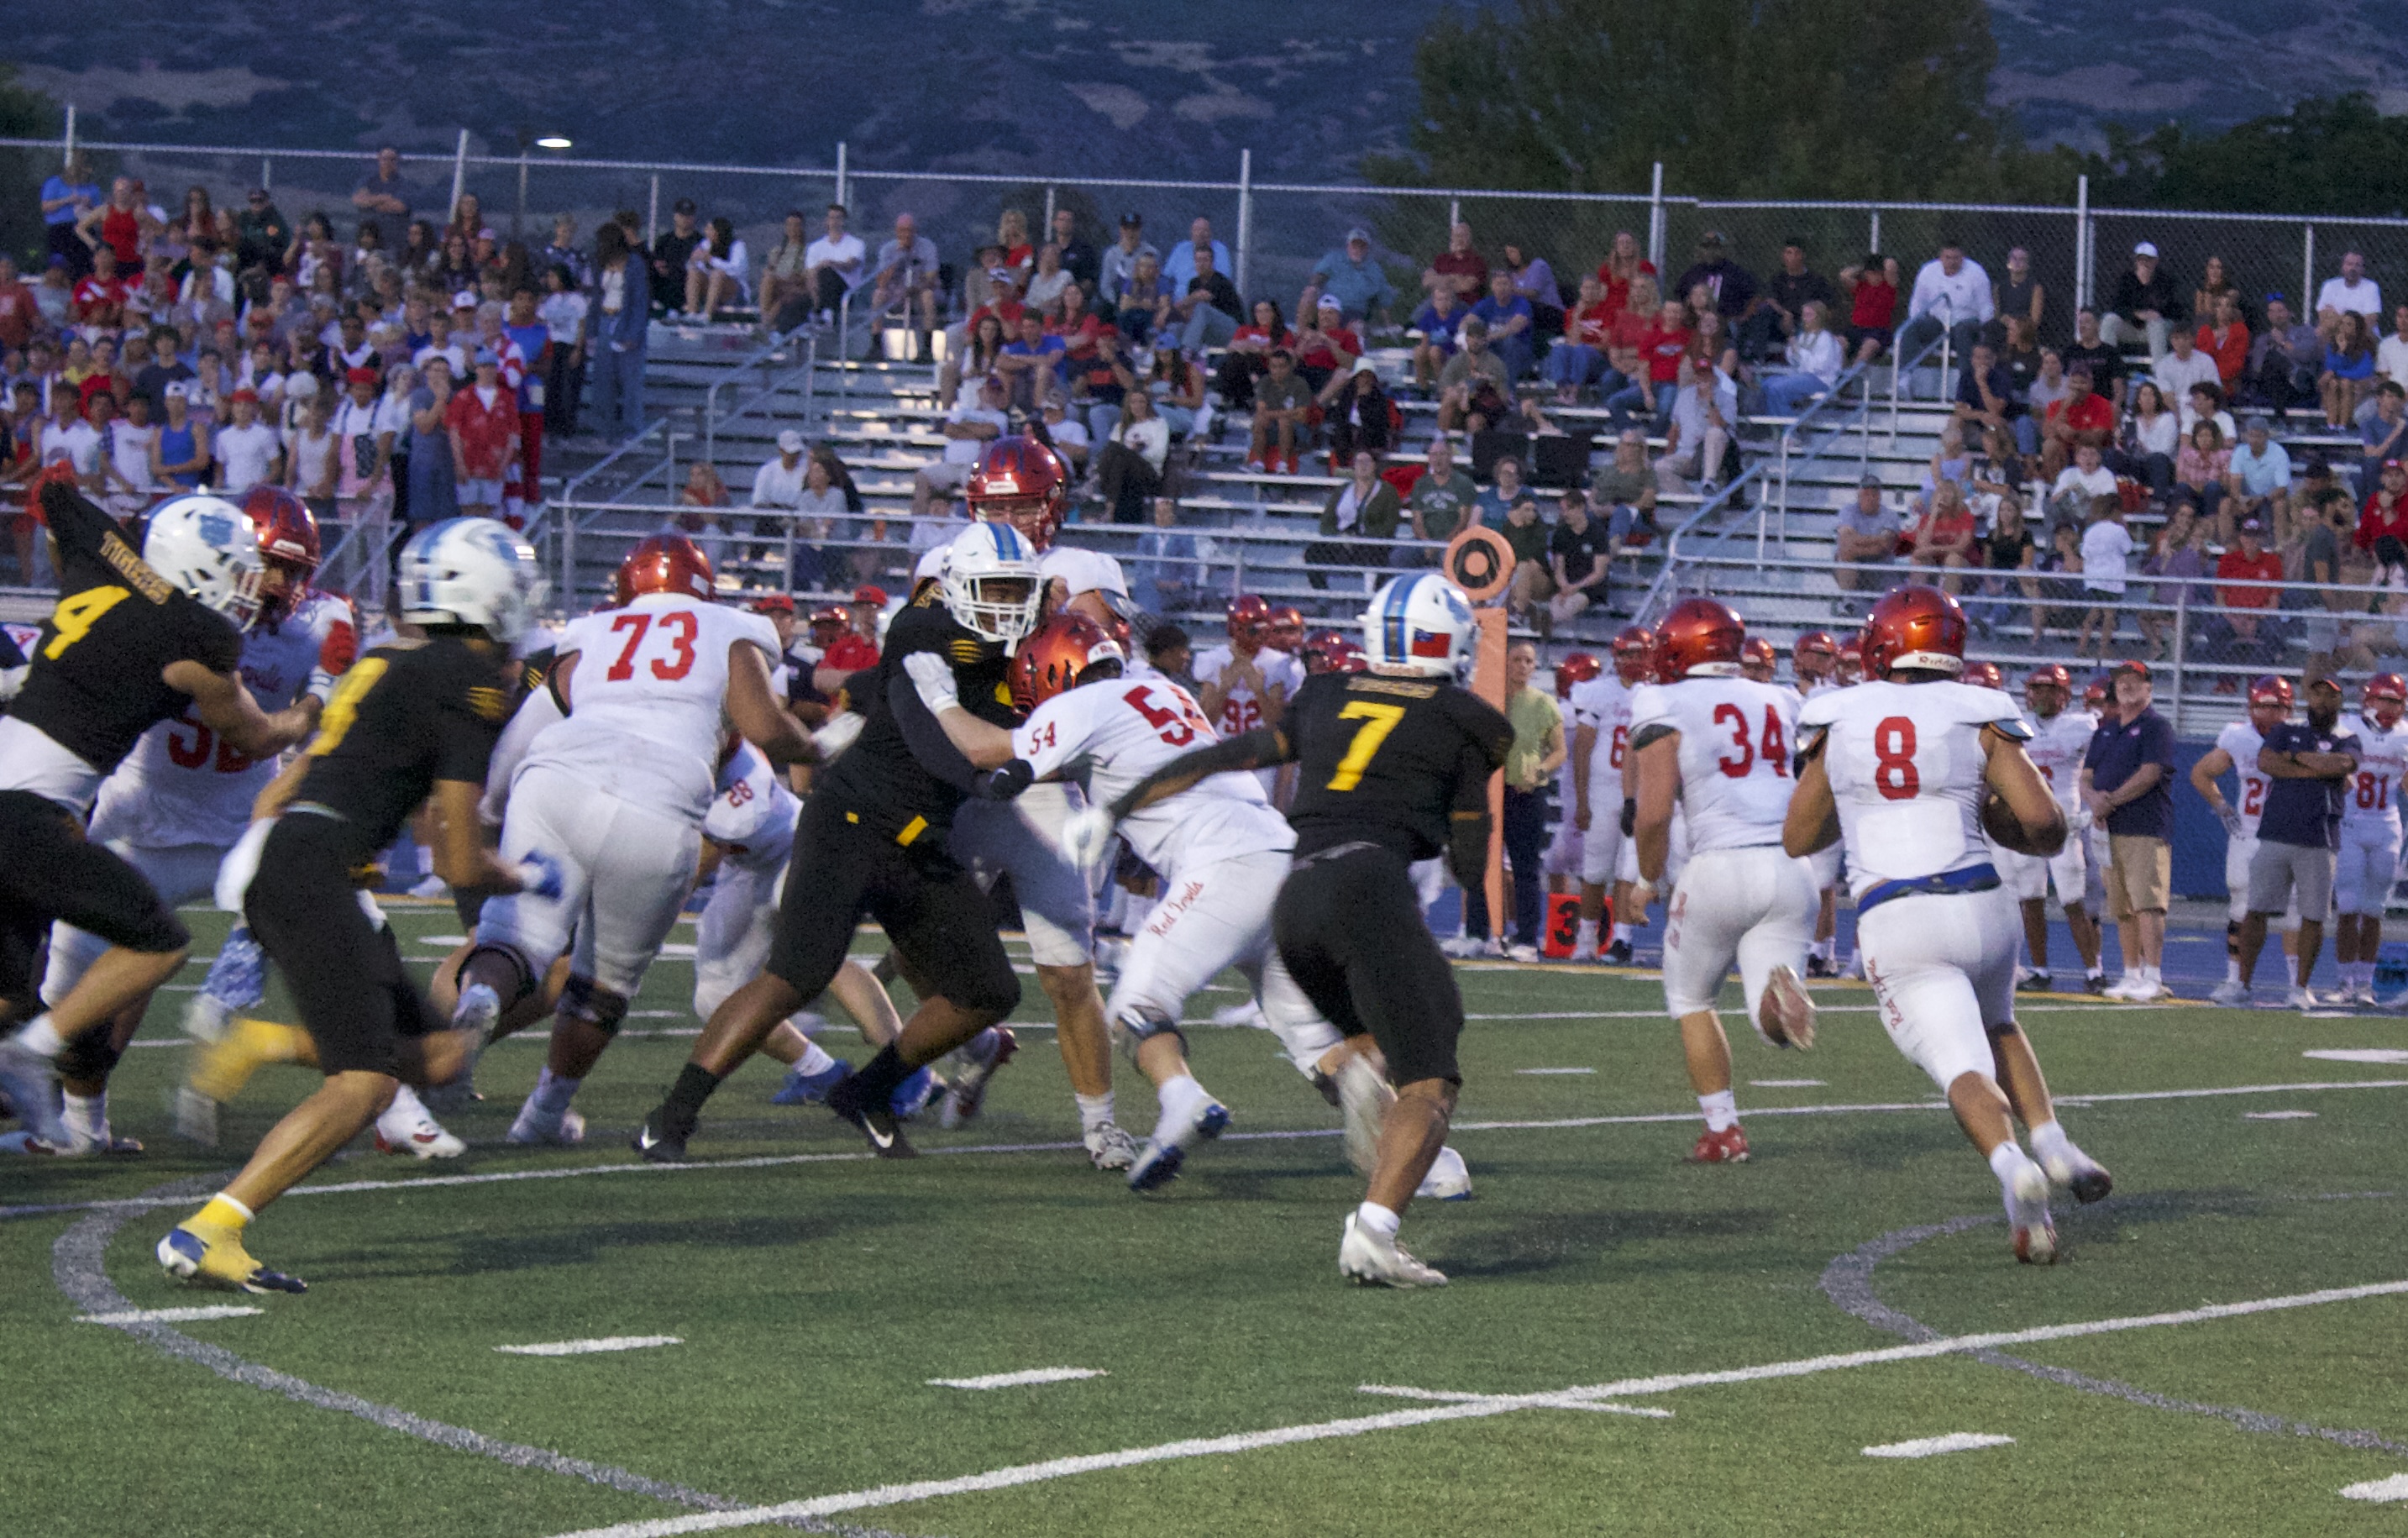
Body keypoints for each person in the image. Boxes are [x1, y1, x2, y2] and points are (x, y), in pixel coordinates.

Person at [1086, 570, 1511, 1285]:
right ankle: (1376, 1227)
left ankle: (1399, 1131)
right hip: (1368, 888)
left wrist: (1116, 806)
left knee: (1372, 1042)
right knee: (1431, 1077)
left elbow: (1219, 756)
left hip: (1296, 897)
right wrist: (1446, 810)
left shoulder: (1325, 692)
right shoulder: (1467, 718)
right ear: (1453, 644)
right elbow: (1470, 864)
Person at [152, 519, 538, 1291]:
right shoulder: (469, 681)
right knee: (362, 1081)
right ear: (490, 595)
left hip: (296, 853)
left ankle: (258, 1044)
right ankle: (211, 1228)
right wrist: (518, 876)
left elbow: (299, 783)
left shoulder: (392, 662)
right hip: (321, 869)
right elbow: (459, 859)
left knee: (438, 1056)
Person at [632, 522, 1040, 1162]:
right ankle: (673, 1113)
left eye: (1020, 591)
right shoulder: (921, 629)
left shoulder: (1022, 651)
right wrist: (978, 773)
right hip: (851, 821)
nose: (1008, 605)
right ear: (958, 589)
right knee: (797, 971)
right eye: (995, 589)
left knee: (989, 989)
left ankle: (868, 1091)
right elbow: (936, 738)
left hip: (919, 840)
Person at [446, 534, 809, 1147]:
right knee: (603, 985)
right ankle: (540, 1113)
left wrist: (491, 810)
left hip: (557, 779)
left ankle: (481, 993)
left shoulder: (592, 633)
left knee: (515, 940)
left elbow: (522, 736)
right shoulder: (728, 628)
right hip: (660, 799)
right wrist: (812, 746)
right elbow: (767, 727)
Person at [1786, 585, 2112, 1266]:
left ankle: (2009, 1163)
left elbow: (1797, 835)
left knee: (1960, 1067)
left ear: (1882, 642)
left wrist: (1851, 794)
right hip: (1984, 901)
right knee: (2000, 1026)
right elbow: (2045, 823)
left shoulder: (1837, 713)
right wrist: (1993, 817)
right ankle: (2053, 1145)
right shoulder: (1980, 709)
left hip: (1897, 914)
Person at [1631, 598, 1818, 1163]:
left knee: (1689, 995)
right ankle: (1780, 999)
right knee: (1769, 1024)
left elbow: (1654, 813)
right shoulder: (1781, 697)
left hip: (1719, 863)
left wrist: (1646, 878)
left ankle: (1722, 1130)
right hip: (1790, 865)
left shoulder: (1661, 699)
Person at [2233, 675, 2358, 1012]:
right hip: (2275, 832)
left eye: (2329, 697)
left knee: (2313, 916)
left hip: (2319, 836)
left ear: (2339, 702)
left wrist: (2296, 758)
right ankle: (2241, 983)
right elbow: (2267, 762)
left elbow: (2343, 765)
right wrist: (2316, 767)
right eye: (2316, 696)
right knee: (2256, 909)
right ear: (2307, 699)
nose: (2322, 702)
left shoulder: (2348, 737)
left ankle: (2300, 988)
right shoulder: (2285, 730)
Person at [2197, 676, 2300, 1005]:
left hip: (2288, 832)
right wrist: (2222, 807)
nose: (2269, 715)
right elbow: (2201, 773)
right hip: (2250, 832)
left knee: (2294, 911)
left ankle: (2297, 986)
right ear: (2251, 708)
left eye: (2276, 708)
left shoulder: (2301, 737)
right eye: (2262, 707)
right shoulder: (2238, 737)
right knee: (2241, 903)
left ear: (2289, 709)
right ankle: (2233, 981)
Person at [1459, 642, 1563, 961]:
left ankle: (1527, 938)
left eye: (1528, 661)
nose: (1522, 666)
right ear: (1505, 663)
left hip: (1525, 793)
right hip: (1491, 790)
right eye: (1516, 659)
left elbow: (1559, 750)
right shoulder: (1489, 699)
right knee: (1481, 862)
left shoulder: (1544, 704)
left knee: (1525, 867)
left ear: (1535, 667)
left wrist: (1540, 771)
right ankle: (1476, 932)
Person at [2005, 665, 2106, 994]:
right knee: (2030, 898)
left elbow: (2102, 765)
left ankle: (2094, 970)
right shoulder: (2016, 725)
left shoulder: (2082, 725)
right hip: (2028, 823)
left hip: (2066, 825)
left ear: (2065, 695)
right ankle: (2040, 969)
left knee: (2073, 899)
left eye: (2050, 689)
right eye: (2036, 688)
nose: (2041, 695)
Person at [2079, 660, 2175, 1000]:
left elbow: (2150, 773)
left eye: (2135, 681)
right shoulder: (2105, 730)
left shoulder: (2156, 727)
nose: (2127, 686)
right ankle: (2131, 973)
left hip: (2144, 826)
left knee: (2147, 902)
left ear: (2149, 687)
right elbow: (2086, 776)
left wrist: (2111, 801)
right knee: (2121, 905)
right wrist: (2093, 799)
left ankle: (2153, 975)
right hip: (2109, 828)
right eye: (2122, 681)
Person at [2331, 674, 2408, 1005]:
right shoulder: (2346, 728)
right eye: (2383, 699)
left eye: (2395, 701)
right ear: (2368, 700)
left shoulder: (2405, 735)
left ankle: (2365, 985)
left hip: (2386, 825)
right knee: (2347, 906)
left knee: (2375, 909)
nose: (2388, 707)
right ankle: (2345, 982)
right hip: (2349, 823)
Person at [587, 223, 647, 442]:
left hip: (626, 321)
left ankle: (632, 431)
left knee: (630, 383)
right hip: (605, 320)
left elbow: (640, 302)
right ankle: (603, 430)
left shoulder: (635, 265)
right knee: (602, 381)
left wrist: (633, 334)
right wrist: (591, 330)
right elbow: (596, 297)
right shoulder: (600, 264)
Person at [1309, 450, 1402, 592]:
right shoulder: (1342, 490)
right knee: (1313, 553)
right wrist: (1339, 537)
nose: (1363, 466)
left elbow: (1389, 526)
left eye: (1367, 462)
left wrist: (1362, 538)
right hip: (1342, 542)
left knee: (1377, 555)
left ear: (1374, 466)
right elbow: (1326, 522)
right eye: (1359, 462)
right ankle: (1323, 595)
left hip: (1371, 543)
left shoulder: (1388, 492)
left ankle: (1371, 596)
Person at [1900, 241, 1993, 367]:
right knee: (1910, 328)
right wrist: (1916, 320)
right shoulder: (1928, 271)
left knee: (1962, 331)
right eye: (1948, 258)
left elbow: (1985, 307)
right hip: (1938, 325)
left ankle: (1965, 380)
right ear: (1940, 258)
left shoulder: (1976, 273)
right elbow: (1918, 302)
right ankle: (1904, 377)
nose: (1952, 262)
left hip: (1967, 325)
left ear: (1963, 258)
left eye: (1956, 258)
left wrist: (1985, 335)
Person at [867, 213, 942, 359]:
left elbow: (932, 279)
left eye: (909, 230)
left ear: (915, 231)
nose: (906, 234)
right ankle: (876, 345)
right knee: (878, 295)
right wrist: (896, 258)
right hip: (895, 294)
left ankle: (927, 349)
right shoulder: (887, 250)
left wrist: (915, 288)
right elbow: (881, 282)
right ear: (896, 231)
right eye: (902, 230)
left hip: (918, 292)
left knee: (928, 296)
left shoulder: (927, 247)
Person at [1545, 488, 1612, 632]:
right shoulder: (1561, 534)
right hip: (1567, 584)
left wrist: (1576, 587)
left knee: (1572, 603)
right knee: (1557, 602)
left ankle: (1547, 624)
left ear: (1581, 507)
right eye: (1563, 510)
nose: (1565, 514)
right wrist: (1564, 586)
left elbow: (1599, 573)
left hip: (1589, 588)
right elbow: (1559, 568)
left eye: (1569, 509)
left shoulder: (1597, 533)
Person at [1832, 475, 1900, 616]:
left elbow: (1884, 547)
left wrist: (1856, 544)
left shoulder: (1890, 516)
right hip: (1855, 569)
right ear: (1859, 494)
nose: (1870, 497)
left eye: (1874, 493)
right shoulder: (1848, 511)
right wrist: (1876, 539)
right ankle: (1848, 603)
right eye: (1866, 492)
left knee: (1847, 553)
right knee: (1844, 555)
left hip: (1881, 570)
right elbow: (1845, 541)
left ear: (1880, 496)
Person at [2103, 241, 2185, 358]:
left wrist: (2157, 314)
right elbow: (2116, 307)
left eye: (2148, 259)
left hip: (2159, 329)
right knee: (2109, 320)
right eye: (2141, 259)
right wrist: (2137, 314)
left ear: (2156, 261)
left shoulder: (2165, 281)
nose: (2144, 263)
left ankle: (2158, 372)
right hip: (2131, 327)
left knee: (2156, 325)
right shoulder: (2126, 280)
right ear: (2136, 261)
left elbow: (2176, 310)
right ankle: (2106, 368)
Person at [1303, 227, 1395, 327]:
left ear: (1367, 249)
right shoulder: (1334, 259)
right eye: (1354, 246)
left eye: (1362, 246)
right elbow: (1318, 276)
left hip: (1354, 312)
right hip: (1329, 306)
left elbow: (1384, 299)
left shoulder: (1374, 270)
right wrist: (1314, 287)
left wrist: (1388, 324)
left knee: (1357, 327)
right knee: (1309, 294)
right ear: (1348, 246)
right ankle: (1302, 334)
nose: (1358, 250)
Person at [349, 147, 412, 255]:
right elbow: (358, 200)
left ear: (397, 161)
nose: (388, 163)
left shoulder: (404, 184)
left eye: (392, 160)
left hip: (392, 242)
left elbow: (400, 206)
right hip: (366, 239)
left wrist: (371, 201)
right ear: (379, 160)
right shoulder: (367, 181)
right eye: (385, 159)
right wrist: (383, 198)